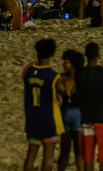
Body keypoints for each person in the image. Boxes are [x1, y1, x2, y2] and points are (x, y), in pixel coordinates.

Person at [22, 38, 63, 171]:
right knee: (48, 155)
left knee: (31, 155)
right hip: (47, 118)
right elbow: (62, 93)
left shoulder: (28, 71)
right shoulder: (54, 76)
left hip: (32, 116)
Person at [79, 42, 103, 171]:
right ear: (98, 55)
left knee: (88, 158)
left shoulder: (80, 74)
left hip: (86, 117)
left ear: (86, 55)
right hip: (102, 117)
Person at [57, 49, 84, 171]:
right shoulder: (83, 77)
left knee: (66, 150)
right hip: (78, 113)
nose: (63, 64)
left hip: (67, 113)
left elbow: (61, 93)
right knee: (78, 151)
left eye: (65, 62)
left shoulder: (62, 77)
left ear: (72, 63)